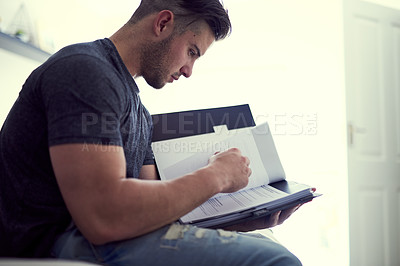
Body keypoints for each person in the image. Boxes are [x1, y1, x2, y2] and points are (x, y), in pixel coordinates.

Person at [0, 0, 303, 265]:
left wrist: (244, 221)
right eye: (192, 51)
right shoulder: (85, 70)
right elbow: (104, 215)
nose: (188, 70)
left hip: (92, 238)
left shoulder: (140, 113)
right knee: (276, 260)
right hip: (51, 240)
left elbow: (150, 210)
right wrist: (218, 176)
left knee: (267, 242)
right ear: (163, 23)